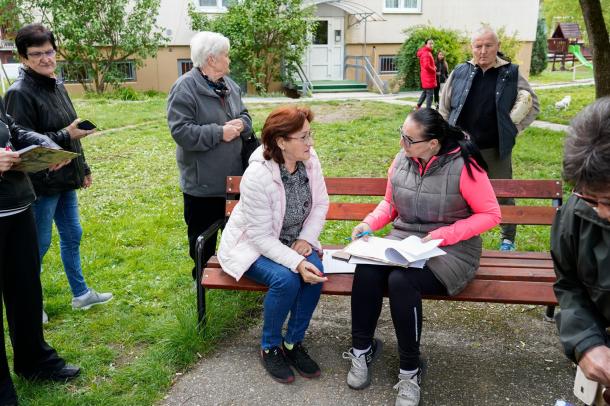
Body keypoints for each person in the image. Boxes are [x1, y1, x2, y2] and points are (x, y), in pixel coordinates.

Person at [343, 108, 501, 406]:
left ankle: (410, 369)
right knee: (366, 271)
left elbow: (491, 215)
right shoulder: (403, 158)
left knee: (403, 282)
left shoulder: (465, 165)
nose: (402, 144)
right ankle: (361, 350)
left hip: (452, 248)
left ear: (432, 143)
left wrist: (445, 235)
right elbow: (390, 204)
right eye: (401, 136)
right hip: (405, 241)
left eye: (409, 139)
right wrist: (368, 224)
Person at [4, 24, 112, 321]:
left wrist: (83, 167)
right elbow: (20, 140)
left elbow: (72, 130)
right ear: (23, 59)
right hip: (40, 183)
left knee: (72, 234)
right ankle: (30, 304)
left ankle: (81, 294)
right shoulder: (19, 93)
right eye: (36, 54)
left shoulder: (57, 84)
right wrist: (66, 136)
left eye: (49, 51)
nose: (45, 59)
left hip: (65, 177)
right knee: (37, 245)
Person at [217, 105, 329, 384]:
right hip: (252, 245)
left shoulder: (310, 160)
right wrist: (297, 262)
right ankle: (269, 346)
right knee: (287, 280)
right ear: (281, 142)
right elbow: (261, 237)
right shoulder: (258, 175)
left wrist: (305, 241)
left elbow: (320, 204)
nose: (310, 143)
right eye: (303, 137)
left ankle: (293, 343)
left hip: (294, 240)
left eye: (310, 135)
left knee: (316, 274)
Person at [0, 98, 81, 406]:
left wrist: (46, 147)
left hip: (18, 206)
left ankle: (34, 361)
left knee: (26, 292)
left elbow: (14, 130)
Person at [439, 27, 539, 252]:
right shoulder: (460, 71)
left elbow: (532, 104)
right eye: (478, 46)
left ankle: (507, 239)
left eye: (488, 45)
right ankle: (458, 235)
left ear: (498, 46)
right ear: (471, 47)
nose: (483, 51)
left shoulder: (511, 73)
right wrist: (444, 136)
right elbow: (444, 108)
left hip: (495, 149)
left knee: (503, 193)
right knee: (457, 193)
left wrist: (511, 129)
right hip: (461, 148)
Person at [167, 31, 252, 280]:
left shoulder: (230, 85)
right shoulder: (184, 88)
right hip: (203, 185)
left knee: (237, 234)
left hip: (235, 180)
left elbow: (246, 115)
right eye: (225, 55)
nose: (229, 60)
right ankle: (203, 284)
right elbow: (181, 132)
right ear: (212, 59)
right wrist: (219, 133)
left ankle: (234, 275)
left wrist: (242, 124)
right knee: (202, 239)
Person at [552, 97, 610, 393]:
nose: (602, 212)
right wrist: (586, 342)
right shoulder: (576, 212)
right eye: (591, 198)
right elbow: (570, 285)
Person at [415, 39, 436, 110]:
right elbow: (427, 66)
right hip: (428, 77)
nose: (432, 45)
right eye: (430, 43)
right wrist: (434, 69)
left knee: (425, 93)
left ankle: (417, 106)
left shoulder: (425, 52)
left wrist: (433, 67)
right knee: (430, 95)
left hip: (426, 76)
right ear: (426, 44)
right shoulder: (426, 53)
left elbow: (426, 65)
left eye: (432, 43)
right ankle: (428, 111)